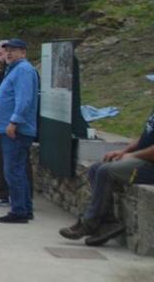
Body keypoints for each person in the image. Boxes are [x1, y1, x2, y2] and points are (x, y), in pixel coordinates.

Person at [60, 96, 154, 244]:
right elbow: (145, 138)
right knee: (95, 168)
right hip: (142, 160)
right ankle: (109, 223)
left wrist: (132, 156)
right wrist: (123, 151)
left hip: (149, 166)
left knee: (106, 171)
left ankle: (89, 223)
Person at [0, 39, 39, 223]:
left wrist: (14, 122)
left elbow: (24, 99)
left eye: (13, 50)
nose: (9, 53)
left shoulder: (23, 70)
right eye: (7, 50)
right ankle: (24, 208)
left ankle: (19, 211)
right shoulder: (15, 69)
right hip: (10, 128)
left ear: (23, 52)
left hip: (15, 130)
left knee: (13, 171)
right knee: (16, 170)